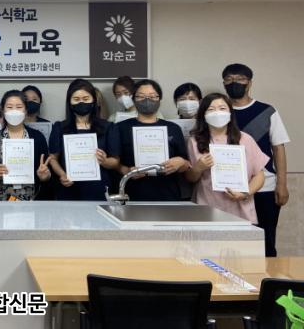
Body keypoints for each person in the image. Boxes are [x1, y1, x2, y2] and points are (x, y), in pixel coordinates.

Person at [222, 63, 290, 256]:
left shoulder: (267, 111)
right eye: (229, 79)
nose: (234, 83)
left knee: (265, 240)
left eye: (240, 79)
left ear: (250, 83)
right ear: (224, 83)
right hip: (228, 188)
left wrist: (282, 184)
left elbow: (278, 147)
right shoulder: (219, 112)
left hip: (265, 186)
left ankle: (267, 275)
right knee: (231, 242)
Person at [185, 93, 268, 223]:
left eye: (222, 108)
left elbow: (259, 175)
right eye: (211, 109)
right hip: (207, 206)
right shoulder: (195, 141)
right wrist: (198, 168)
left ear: (230, 113)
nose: (217, 113)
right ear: (203, 115)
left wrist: (245, 193)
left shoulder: (245, 139)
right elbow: (190, 178)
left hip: (241, 208)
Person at [107, 79, 190, 201]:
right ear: (133, 99)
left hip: (167, 194)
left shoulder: (173, 128)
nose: (147, 100)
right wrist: (127, 171)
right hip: (131, 194)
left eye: (152, 96)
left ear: (159, 99)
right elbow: (113, 163)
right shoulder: (119, 128)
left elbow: (186, 165)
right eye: (141, 96)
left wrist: (181, 162)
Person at [48, 79, 118, 200]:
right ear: (69, 102)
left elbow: (115, 161)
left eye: (86, 99)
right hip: (69, 188)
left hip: (98, 188)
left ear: (94, 101)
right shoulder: (59, 127)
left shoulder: (108, 127)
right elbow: (53, 158)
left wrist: (104, 161)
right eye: (76, 99)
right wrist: (62, 174)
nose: (81, 102)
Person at [0, 90, 52, 201]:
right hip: (1, 202)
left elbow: (47, 175)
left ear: (26, 110)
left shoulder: (38, 137)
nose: (14, 111)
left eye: (19, 107)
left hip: (32, 201)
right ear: (2, 110)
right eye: (9, 107)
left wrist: (45, 176)